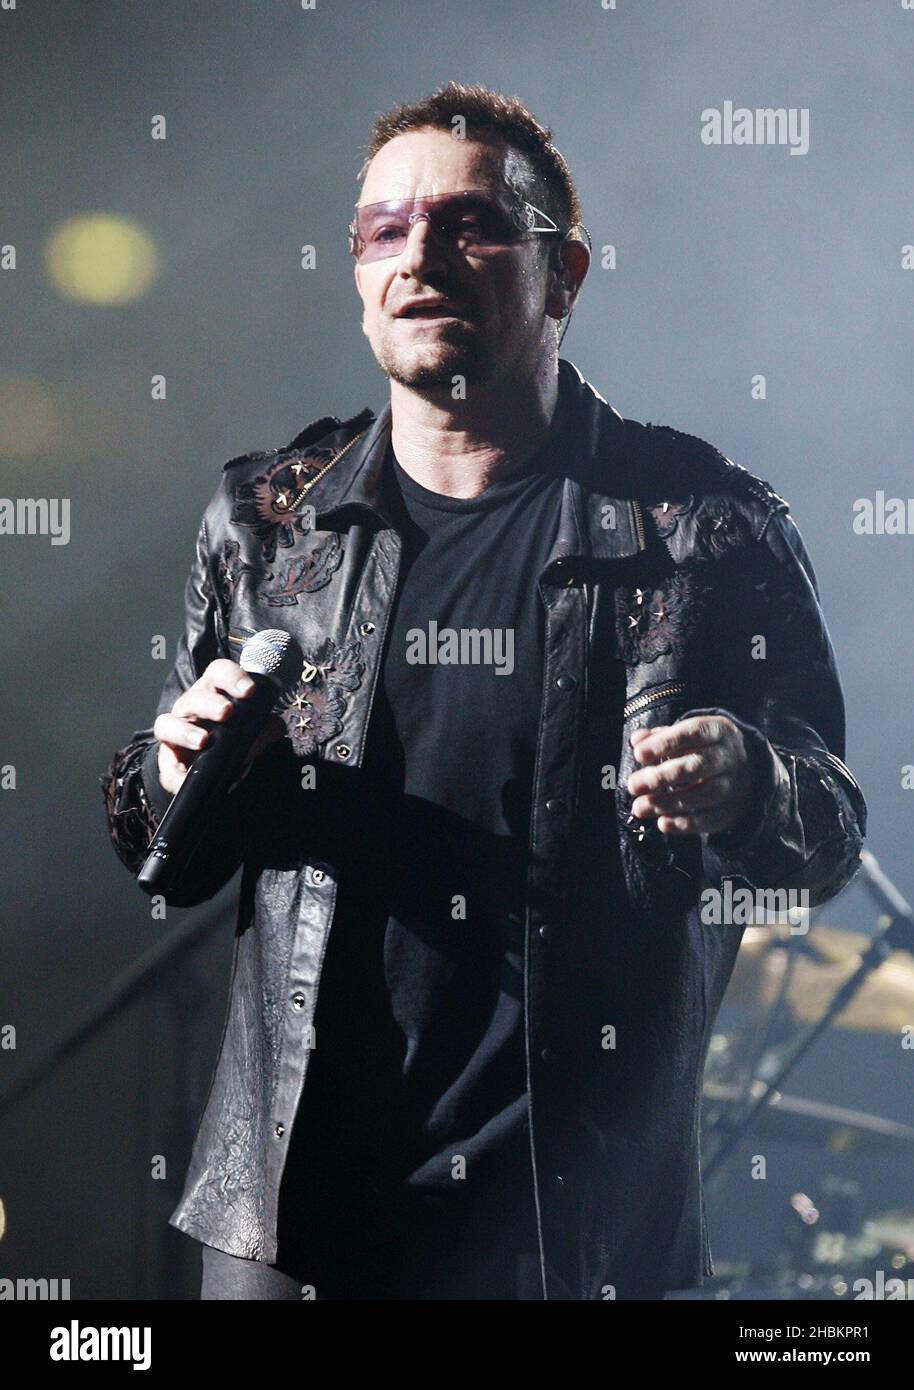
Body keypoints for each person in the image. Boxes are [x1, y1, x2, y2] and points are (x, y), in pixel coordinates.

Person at [101, 82, 867, 1301]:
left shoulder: (698, 526)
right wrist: (169, 773)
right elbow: (161, 846)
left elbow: (824, 834)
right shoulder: (269, 521)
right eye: (382, 229)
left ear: (562, 274)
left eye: (467, 225)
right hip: (288, 1219)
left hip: (571, 1225)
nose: (417, 257)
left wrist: (752, 779)